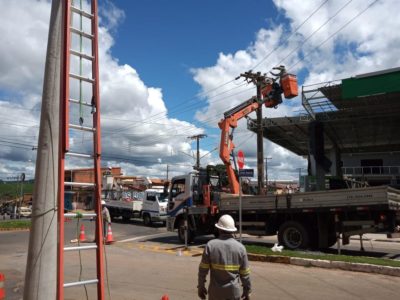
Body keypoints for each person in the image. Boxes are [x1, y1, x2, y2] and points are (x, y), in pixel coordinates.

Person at [198, 214, 252, 300]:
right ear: (233, 231)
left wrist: (201, 287)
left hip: (215, 293)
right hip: (233, 293)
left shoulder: (210, 245)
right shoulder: (240, 248)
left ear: (219, 229)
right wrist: (247, 291)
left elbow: (202, 270)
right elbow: (245, 273)